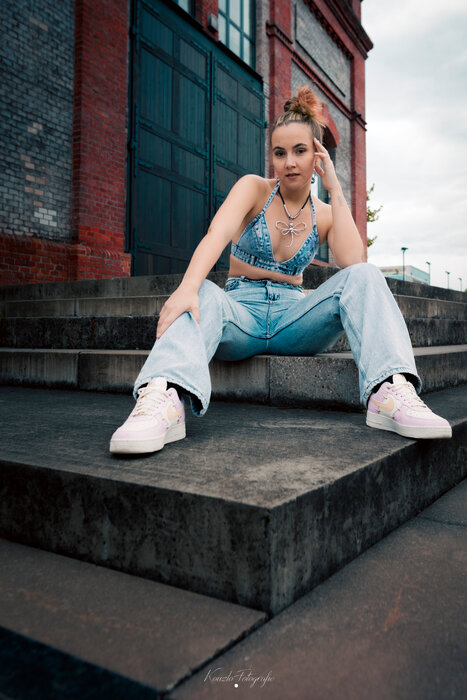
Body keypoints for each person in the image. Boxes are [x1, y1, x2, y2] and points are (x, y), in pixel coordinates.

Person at [109, 85, 452, 454]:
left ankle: (391, 391)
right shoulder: (253, 189)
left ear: (317, 155)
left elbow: (353, 263)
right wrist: (187, 288)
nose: (289, 162)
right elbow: (216, 235)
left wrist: (335, 189)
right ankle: (163, 398)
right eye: (280, 152)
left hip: (295, 319)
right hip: (240, 314)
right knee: (203, 292)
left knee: (367, 275)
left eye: (300, 151)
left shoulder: (325, 213)